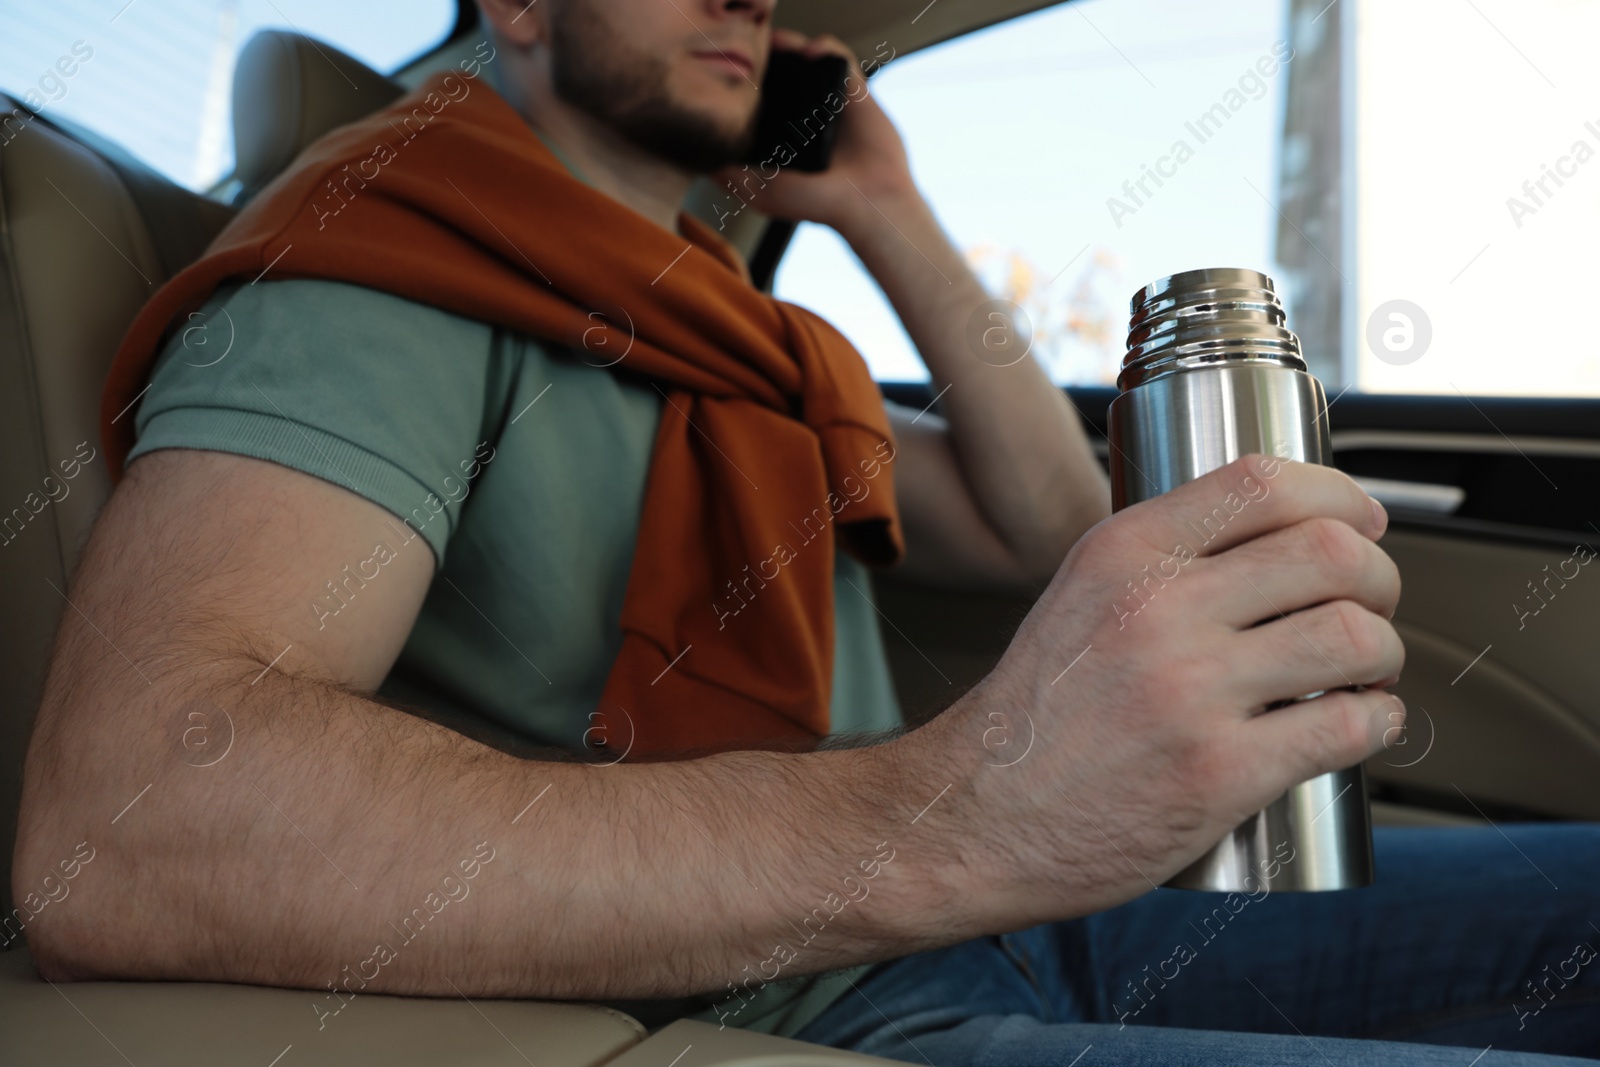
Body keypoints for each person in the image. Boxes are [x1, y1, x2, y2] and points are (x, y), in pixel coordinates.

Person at [13, 0, 1597, 1063]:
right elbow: (135, 816)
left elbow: (1054, 522)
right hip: (797, 998)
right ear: (515, 3)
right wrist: (959, 815)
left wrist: (884, 207)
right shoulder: (385, 260)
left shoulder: (741, 340)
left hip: (1014, 923)